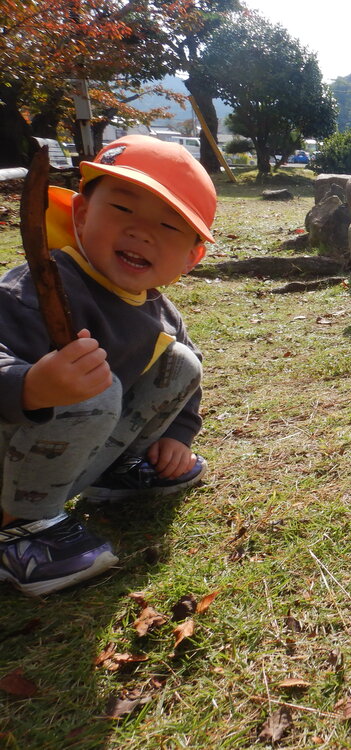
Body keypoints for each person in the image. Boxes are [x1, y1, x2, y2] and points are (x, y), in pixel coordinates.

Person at [0, 135, 216, 596]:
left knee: (180, 362)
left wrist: (177, 435)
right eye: (122, 209)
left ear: (192, 257)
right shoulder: (40, 287)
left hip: (68, 457)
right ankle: (18, 529)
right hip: (7, 468)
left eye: (169, 224)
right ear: (81, 214)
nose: (142, 232)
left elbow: (187, 381)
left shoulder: (160, 313)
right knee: (95, 386)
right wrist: (29, 385)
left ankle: (115, 470)